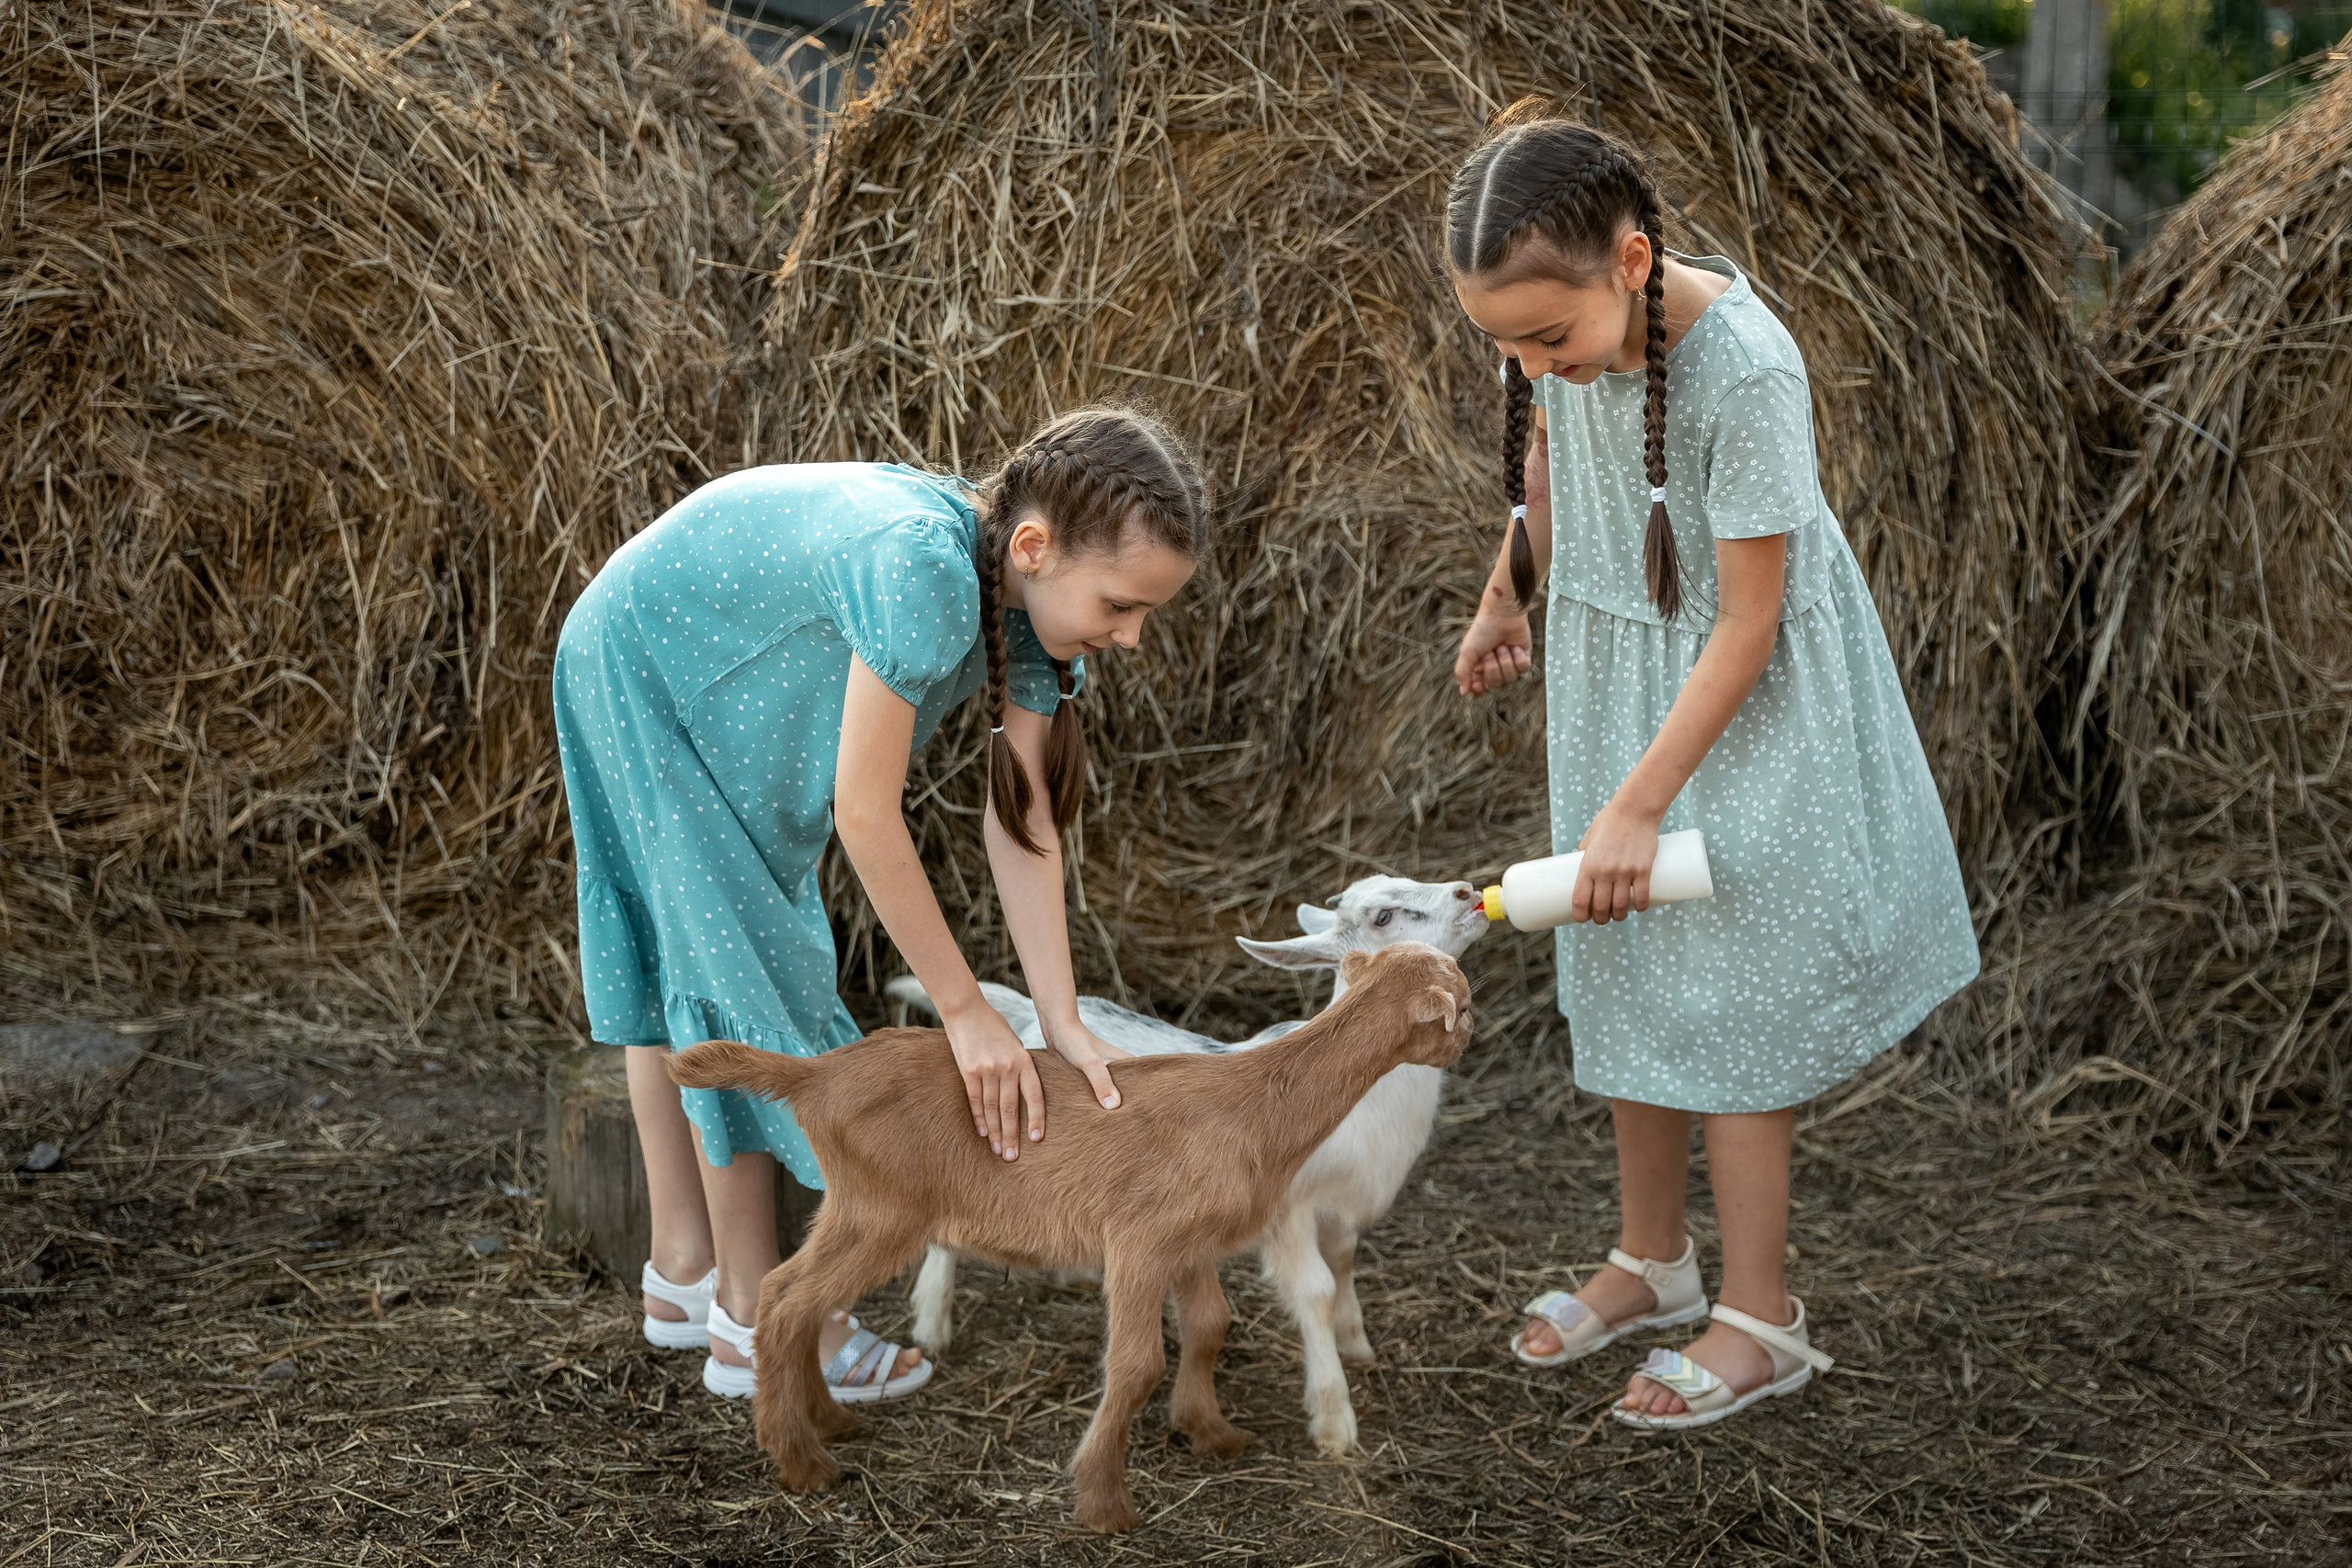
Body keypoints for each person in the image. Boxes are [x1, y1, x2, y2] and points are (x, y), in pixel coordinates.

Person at [1443, 107, 1978, 1428]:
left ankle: (1760, 1314)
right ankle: (1652, 1258)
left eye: (1545, 337)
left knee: (1734, 992)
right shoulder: (1566, 348)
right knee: (1626, 954)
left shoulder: (1746, 371)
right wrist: (1507, 594)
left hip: (1746, 705)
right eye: (1507, 345)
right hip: (1616, 686)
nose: (1533, 365)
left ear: (1630, 262)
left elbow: (1747, 624)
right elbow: (1548, 466)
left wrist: (1639, 802)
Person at [553, 407, 1208, 1403]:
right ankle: (755, 1317)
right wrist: (964, 1011)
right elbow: (864, 812)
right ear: (1034, 547)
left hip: (682, 668)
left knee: (688, 955)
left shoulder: (1023, 604)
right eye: (1121, 604)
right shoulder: (926, 573)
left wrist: (1062, 1020)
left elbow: (1023, 821)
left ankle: (680, 1274)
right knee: (735, 970)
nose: (1131, 634)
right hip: (649, 658)